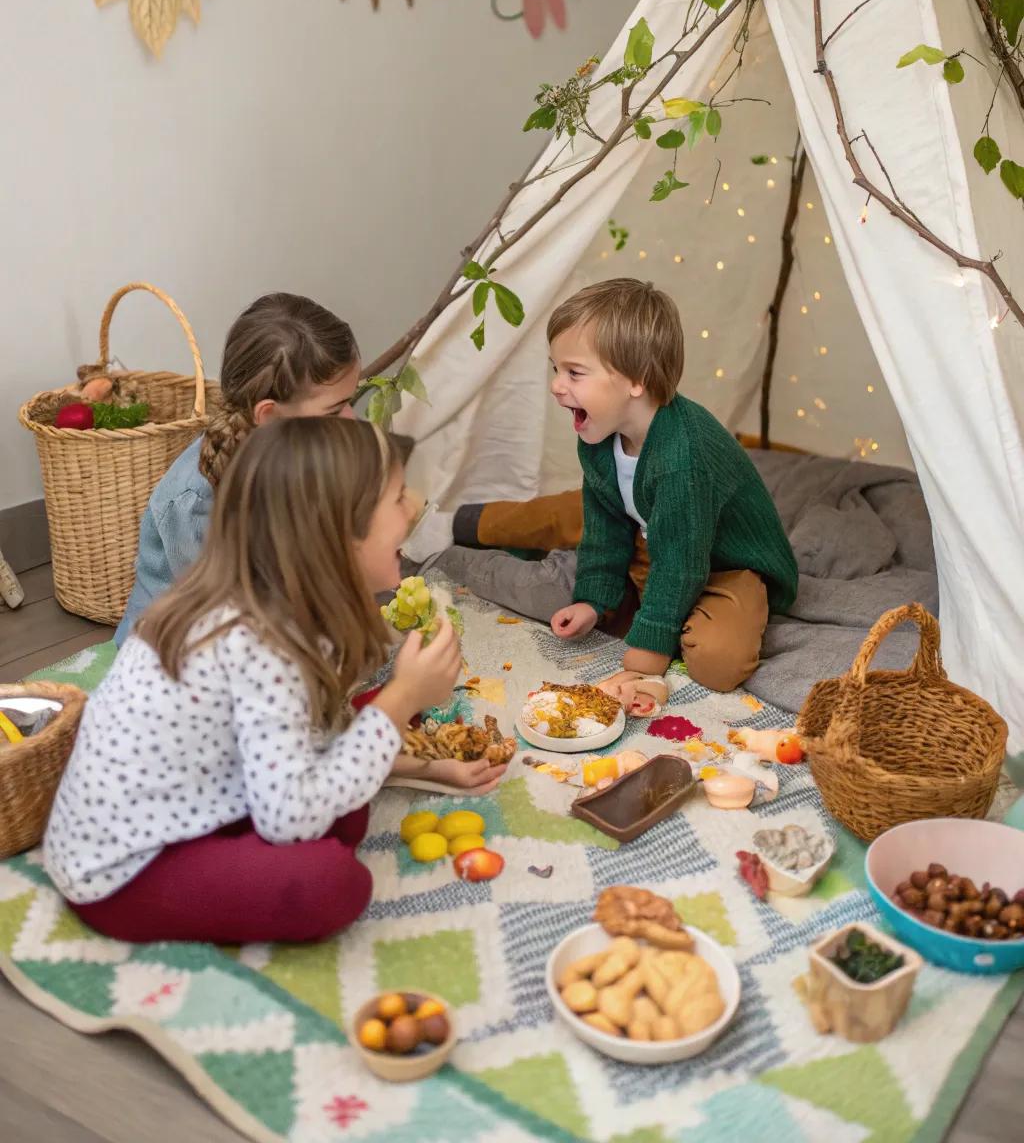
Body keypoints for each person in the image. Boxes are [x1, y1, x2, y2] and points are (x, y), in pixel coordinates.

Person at [44, 419, 475, 943]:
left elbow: (305, 743)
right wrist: (400, 699)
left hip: (197, 802)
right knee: (332, 883)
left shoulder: (276, 608)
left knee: (348, 811)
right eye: (398, 498)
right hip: (122, 870)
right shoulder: (260, 640)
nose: (414, 508)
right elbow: (290, 820)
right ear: (339, 534)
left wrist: (424, 762)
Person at [418, 280, 797, 699]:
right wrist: (592, 600)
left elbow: (680, 564)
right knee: (566, 514)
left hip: (723, 562)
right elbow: (603, 526)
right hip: (650, 532)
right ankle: (454, 524)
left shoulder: (683, 457)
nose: (556, 386)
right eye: (556, 369)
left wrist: (646, 659)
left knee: (719, 660)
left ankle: (660, 609)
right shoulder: (600, 435)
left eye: (574, 373)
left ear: (637, 380)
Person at [114, 292, 361, 647]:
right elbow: (214, 619)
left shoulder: (297, 456)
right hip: (174, 649)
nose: (352, 419)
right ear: (271, 416)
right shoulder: (193, 500)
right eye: (335, 411)